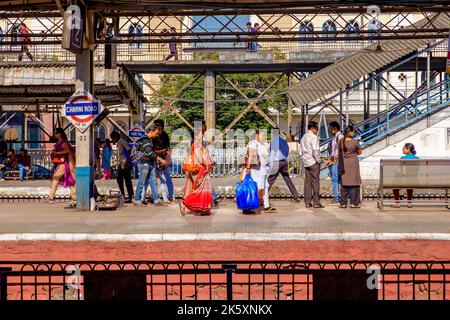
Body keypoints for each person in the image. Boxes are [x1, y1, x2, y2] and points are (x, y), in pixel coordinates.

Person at [179, 120, 213, 215]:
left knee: (194, 188)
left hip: (196, 168)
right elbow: (198, 156)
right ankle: (185, 204)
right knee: (200, 188)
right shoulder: (198, 142)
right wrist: (206, 164)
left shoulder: (197, 142)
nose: (204, 135)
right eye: (203, 132)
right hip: (199, 168)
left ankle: (202, 208)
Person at [133, 124, 166, 206]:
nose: (157, 135)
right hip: (144, 164)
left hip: (150, 163)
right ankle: (137, 199)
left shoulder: (149, 140)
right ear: (151, 131)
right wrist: (161, 159)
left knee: (153, 182)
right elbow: (150, 153)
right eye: (156, 133)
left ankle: (156, 200)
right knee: (141, 182)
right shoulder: (145, 140)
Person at [245, 129, 274, 212]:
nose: (264, 137)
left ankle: (266, 205)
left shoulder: (261, 145)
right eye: (263, 135)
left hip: (263, 170)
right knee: (256, 188)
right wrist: (248, 167)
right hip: (256, 170)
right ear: (257, 136)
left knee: (265, 187)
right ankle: (250, 205)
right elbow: (250, 154)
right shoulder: (253, 144)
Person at [267, 131, 300, 202]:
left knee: (270, 180)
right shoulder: (283, 141)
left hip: (277, 162)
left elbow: (272, 153)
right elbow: (287, 151)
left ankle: (262, 197)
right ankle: (296, 195)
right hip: (284, 162)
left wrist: (270, 165)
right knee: (287, 179)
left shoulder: (273, 141)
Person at [46, 128, 76, 204]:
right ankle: (74, 196)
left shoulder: (63, 142)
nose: (55, 135)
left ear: (60, 134)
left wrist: (57, 153)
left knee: (55, 178)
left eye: (56, 133)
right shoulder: (62, 141)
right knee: (69, 179)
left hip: (64, 163)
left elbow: (67, 150)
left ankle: (51, 197)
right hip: (64, 163)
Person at [299, 121, 323, 208]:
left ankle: (307, 202)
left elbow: (300, 151)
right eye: (317, 128)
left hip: (306, 163)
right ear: (313, 128)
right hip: (313, 162)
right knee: (315, 182)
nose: (317, 130)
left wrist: (304, 159)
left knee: (307, 183)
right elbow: (315, 151)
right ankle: (316, 203)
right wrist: (319, 160)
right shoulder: (314, 137)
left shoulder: (304, 137)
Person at [339, 125, 362, 208]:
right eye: (353, 131)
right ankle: (354, 203)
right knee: (354, 183)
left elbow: (339, 153)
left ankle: (343, 203)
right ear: (349, 133)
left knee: (344, 183)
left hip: (344, 164)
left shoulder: (341, 141)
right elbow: (359, 152)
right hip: (353, 163)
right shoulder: (355, 142)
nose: (354, 132)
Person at [153, 119, 174, 202]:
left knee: (161, 179)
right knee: (165, 179)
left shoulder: (159, 135)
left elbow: (165, 149)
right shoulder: (164, 135)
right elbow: (168, 149)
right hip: (162, 158)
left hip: (160, 159)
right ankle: (170, 197)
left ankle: (167, 197)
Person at [324, 121, 344, 205]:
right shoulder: (336, 137)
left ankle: (336, 198)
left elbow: (341, 149)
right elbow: (334, 151)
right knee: (337, 179)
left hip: (338, 161)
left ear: (334, 128)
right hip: (335, 160)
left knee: (335, 179)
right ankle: (339, 197)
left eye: (331, 129)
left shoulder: (340, 137)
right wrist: (329, 160)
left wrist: (336, 158)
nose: (330, 130)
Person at [393, 143, 418, 208]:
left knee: (395, 187)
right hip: (414, 180)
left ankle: (397, 203)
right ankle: (409, 203)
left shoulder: (402, 158)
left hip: (404, 180)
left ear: (408, 149)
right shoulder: (417, 158)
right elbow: (417, 170)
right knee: (410, 185)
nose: (402, 150)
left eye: (403, 148)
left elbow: (401, 170)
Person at [110, 131, 134, 203]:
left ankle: (131, 196)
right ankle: (123, 195)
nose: (112, 140)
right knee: (119, 181)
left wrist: (127, 160)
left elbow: (130, 150)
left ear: (116, 137)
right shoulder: (117, 143)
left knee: (127, 181)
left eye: (112, 138)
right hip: (119, 165)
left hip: (125, 165)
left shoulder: (122, 141)